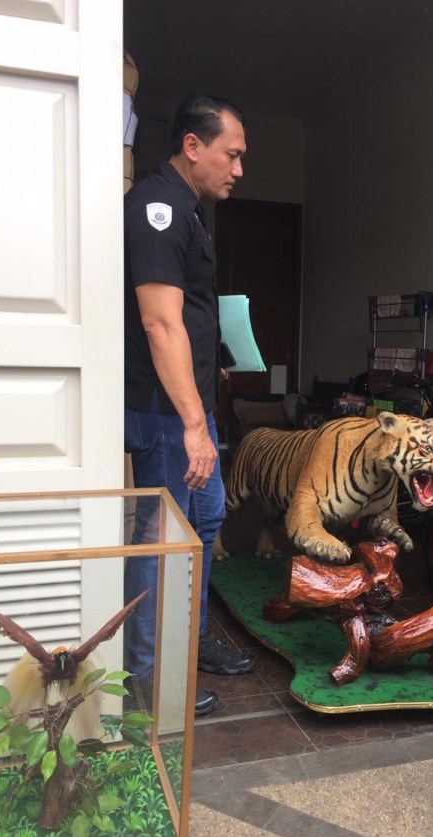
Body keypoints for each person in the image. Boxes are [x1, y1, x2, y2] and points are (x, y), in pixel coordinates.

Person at [124, 95, 255, 717]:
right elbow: (159, 323)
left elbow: (193, 317)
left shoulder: (189, 212)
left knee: (203, 525)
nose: (237, 169)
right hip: (168, 416)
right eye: (231, 155)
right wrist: (195, 426)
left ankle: (193, 641)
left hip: (191, 408)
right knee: (163, 540)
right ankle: (148, 680)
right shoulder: (156, 207)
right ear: (193, 146)